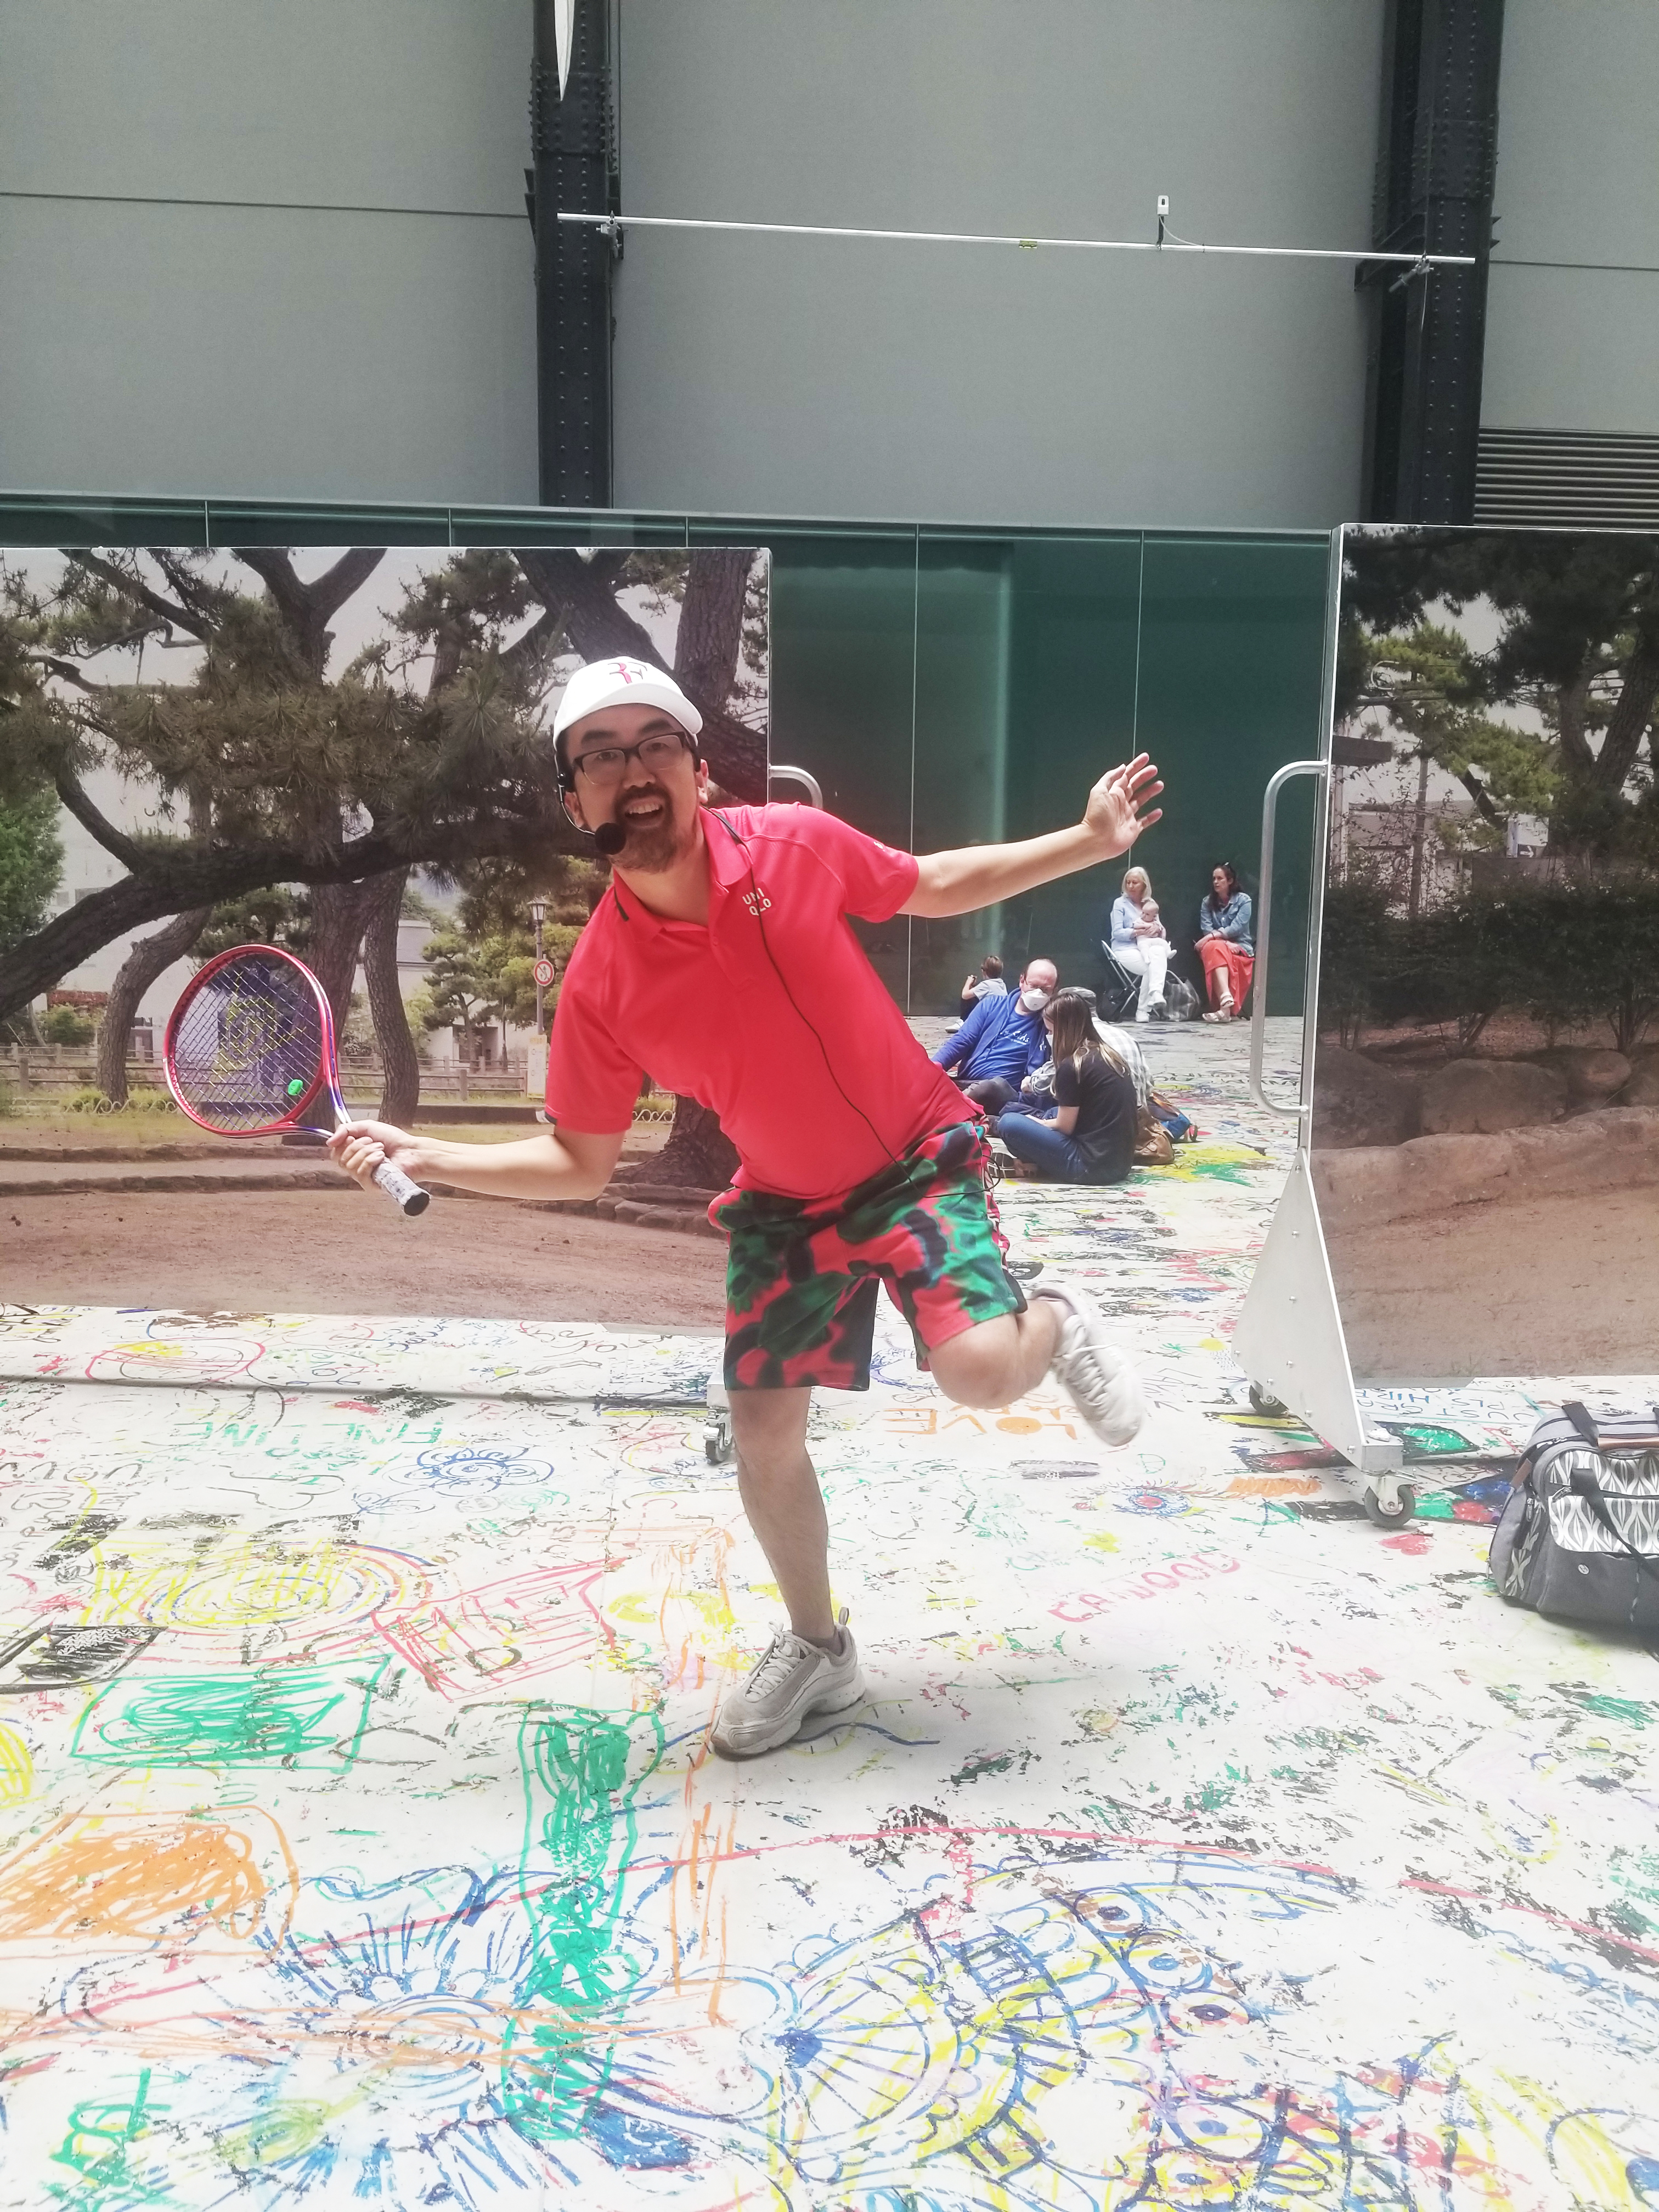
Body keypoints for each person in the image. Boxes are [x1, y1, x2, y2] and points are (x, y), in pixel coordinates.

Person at [328, 656, 1163, 1760]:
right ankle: (820, 1649)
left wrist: (1086, 841)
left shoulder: (790, 844)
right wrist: (430, 1154)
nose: (633, 767)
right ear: (575, 800)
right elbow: (579, 1159)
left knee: (979, 1372)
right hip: (784, 1204)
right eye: (602, 753)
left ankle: (1053, 1315)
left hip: (915, 1155)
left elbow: (934, 880)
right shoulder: (603, 981)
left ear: (698, 773)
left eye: (655, 743)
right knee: (766, 1434)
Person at [993, 988, 1137, 1184]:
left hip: (1091, 1166)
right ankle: (1040, 1162)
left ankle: (1038, 1164)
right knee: (1052, 1113)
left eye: (1051, 1031)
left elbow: (1065, 1127)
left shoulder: (1073, 1066)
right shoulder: (1107, 1055)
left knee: (1009, 1123)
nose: (1049, 1036)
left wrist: (1039, 1124)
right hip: (1120, 1163)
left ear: (1063, 1030)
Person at [931, 956, 1057, 1102]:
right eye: (1034, 986)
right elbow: (961, 1042)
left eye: (1045, 990)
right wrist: (930, 1071)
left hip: (1007, 1095)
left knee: (992, 1087)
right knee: (928, 1081)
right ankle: (955, 1102)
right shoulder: (991, 1005)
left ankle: (955, 1103)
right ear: (1022, 981)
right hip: (968, 1083)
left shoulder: (1050, 1023)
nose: (1038, 994)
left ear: (1054, 992)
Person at [1108, 864, 1170, 1022]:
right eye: (1128, 882)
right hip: (1124, 948)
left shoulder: (1150, 903)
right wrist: (1139, 932)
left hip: (1150, 946)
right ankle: (1145, 1008)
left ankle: (1153, 997)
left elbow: (1160, 928)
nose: (1130, 886)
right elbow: (1117, 933)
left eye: (1135, 883)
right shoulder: (1119, 904)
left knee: (1158, 953)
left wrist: (1156, 928)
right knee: (1153, 965)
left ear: (1144, 884)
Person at [1196, 861, 1254, 1023]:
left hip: (1240, 946)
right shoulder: (1207, 902)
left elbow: (1237, 927)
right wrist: (1216, 940)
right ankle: (1225, 1000)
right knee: (1216, 948)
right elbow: (1207, 928)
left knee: (1213, 947)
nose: (1216, 882)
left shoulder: (1244, 901)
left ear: (1230, 881)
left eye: (1220, 878)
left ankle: (1224, 1009)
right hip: (1218, 947)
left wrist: (1210, 938)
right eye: (1214, 879)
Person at [958, 953, 1007, 1018]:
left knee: (970, 997)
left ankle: (964, 1021)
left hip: (990, 1016)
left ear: (983, 972)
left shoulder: (986, 985)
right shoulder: (1002, 984)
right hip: (1000, 1015)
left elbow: (964, 995)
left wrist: (968, 982)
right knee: (974, 994)